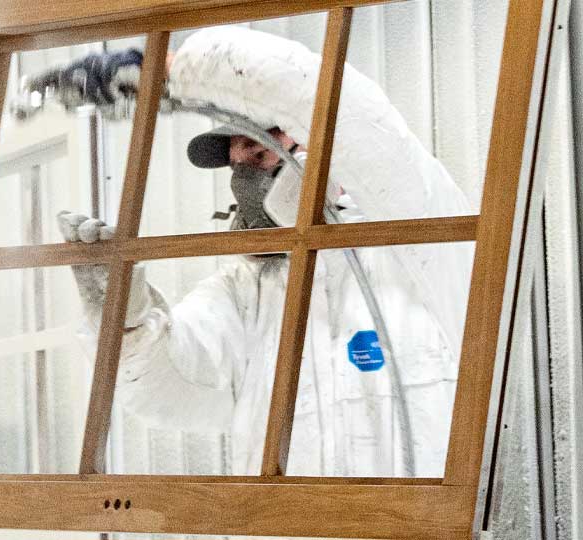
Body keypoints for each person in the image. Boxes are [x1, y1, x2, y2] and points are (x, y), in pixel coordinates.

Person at [47, 25, 474, 477]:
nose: (243, 180)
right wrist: (124, 319)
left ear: (315, 146)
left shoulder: (419, 241)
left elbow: (326, 99)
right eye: (236, 163)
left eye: (258, 153)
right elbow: (171, 386)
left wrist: (167, 71)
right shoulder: (249, 290)